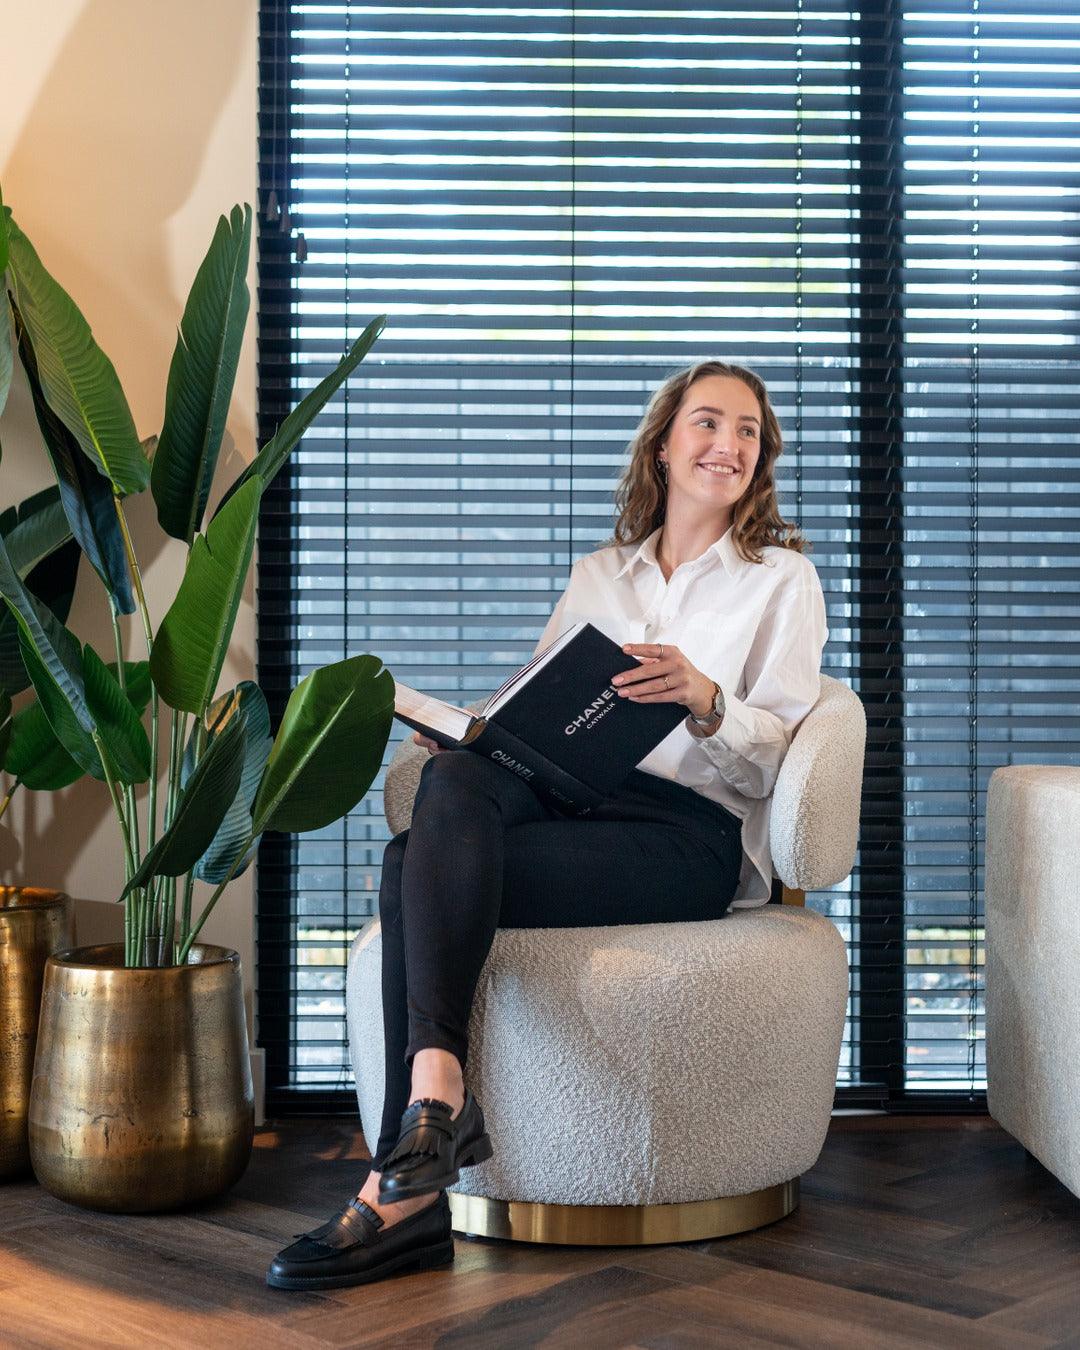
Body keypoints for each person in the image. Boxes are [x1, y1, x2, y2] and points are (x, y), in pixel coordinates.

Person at [267, 359, 829, 1291]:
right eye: (707, 422)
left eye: (748, 431)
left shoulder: (781, 581)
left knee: (411, 865)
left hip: (688, 838)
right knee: (453, 781)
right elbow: (536, 711)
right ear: (663, 443)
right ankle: (434, 1107)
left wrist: (706, 699)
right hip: (578, 801)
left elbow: (779, 760)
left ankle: (400, 1183)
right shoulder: (600, 574)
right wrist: (473, 734)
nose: (728, 444)